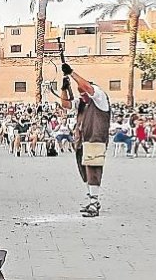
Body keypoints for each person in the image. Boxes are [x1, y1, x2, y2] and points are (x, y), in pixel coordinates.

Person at [58, 64, 111, 216]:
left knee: (93, 169)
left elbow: (87, 87)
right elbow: (66, 104)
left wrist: (71, 73)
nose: (82, 95)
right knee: (86, 171)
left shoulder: (99, 98)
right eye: (80, 93)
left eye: (83, 92)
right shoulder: (83, 102)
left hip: (95, 138)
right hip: (83, 141)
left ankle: (94, 202)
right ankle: (92, 198)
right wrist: (64, 88)